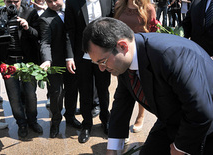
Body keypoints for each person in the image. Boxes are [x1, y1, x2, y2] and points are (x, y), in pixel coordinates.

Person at [82, 17, 213, 155]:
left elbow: (201, 111)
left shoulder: (169, 55)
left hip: (204, 126)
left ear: (122, 46)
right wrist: (113, 149)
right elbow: (121, 105)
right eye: (97, 64)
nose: (102, 69)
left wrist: (180, 148)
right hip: (171, 118)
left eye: (103, 62)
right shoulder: (123, 62)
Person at [65, 0, 115, 143]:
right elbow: (69, 30)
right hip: (82, 56)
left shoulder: (108, 1)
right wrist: (69, 57)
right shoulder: (73, 2)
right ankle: (87, 124)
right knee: (85, 90)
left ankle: (106, 120)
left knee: (103, 89)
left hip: (103, 55)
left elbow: (112, 26)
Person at [0, 0, 42, 138]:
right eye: (9, 1)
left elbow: (38, 35)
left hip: (27, 61)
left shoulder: (30, 12)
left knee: (30, 94)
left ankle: (32, 121)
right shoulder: (1, 14)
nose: (12, 4)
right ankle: (21, 124)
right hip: (9, 62)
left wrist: (27, 27)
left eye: (15, 1)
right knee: (14, 96)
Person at [39, 0, 82, 138]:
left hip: (73, 59)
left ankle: (70, 117)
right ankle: (56, 121)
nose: (52, 3)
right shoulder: (45, 18)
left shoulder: (72, 8)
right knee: (55, 93)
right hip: (55, 63)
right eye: (48, 1)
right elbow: (45, 42)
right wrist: (47, 59)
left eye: (54, 0)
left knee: (72, 89)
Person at [114, 0, 155, 134]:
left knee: (140, 87)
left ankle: (140, 116)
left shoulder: (148, 8)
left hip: (140, 54)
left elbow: (153, 32)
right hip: (122, 55)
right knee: (124, 90)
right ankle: (122, 126)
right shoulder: (119, 5)